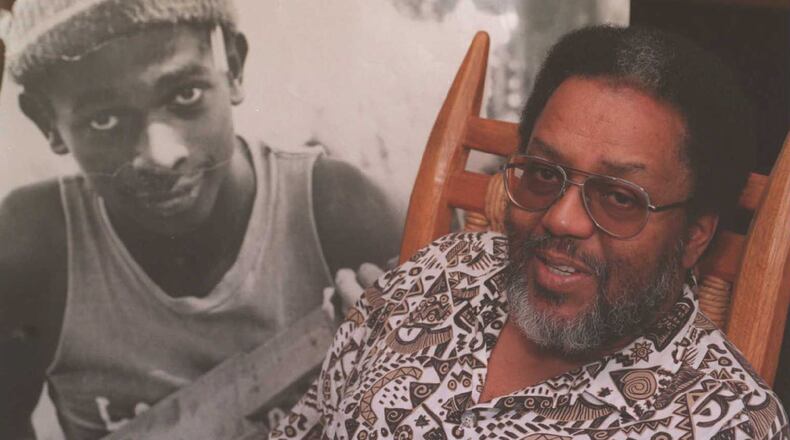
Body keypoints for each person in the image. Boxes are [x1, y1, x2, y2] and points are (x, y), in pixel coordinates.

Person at [271, 25, 789, 439]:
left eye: (619, 198)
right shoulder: (440, 270)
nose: (562, 219)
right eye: (544, 173)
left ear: (695, 235)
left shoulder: (726, 422)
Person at [0, 0, 401, 438]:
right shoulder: (35, 251)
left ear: (232, 66)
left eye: (184, 95)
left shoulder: (340, 213)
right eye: (104, 120)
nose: (161, 154)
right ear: (47, 123)